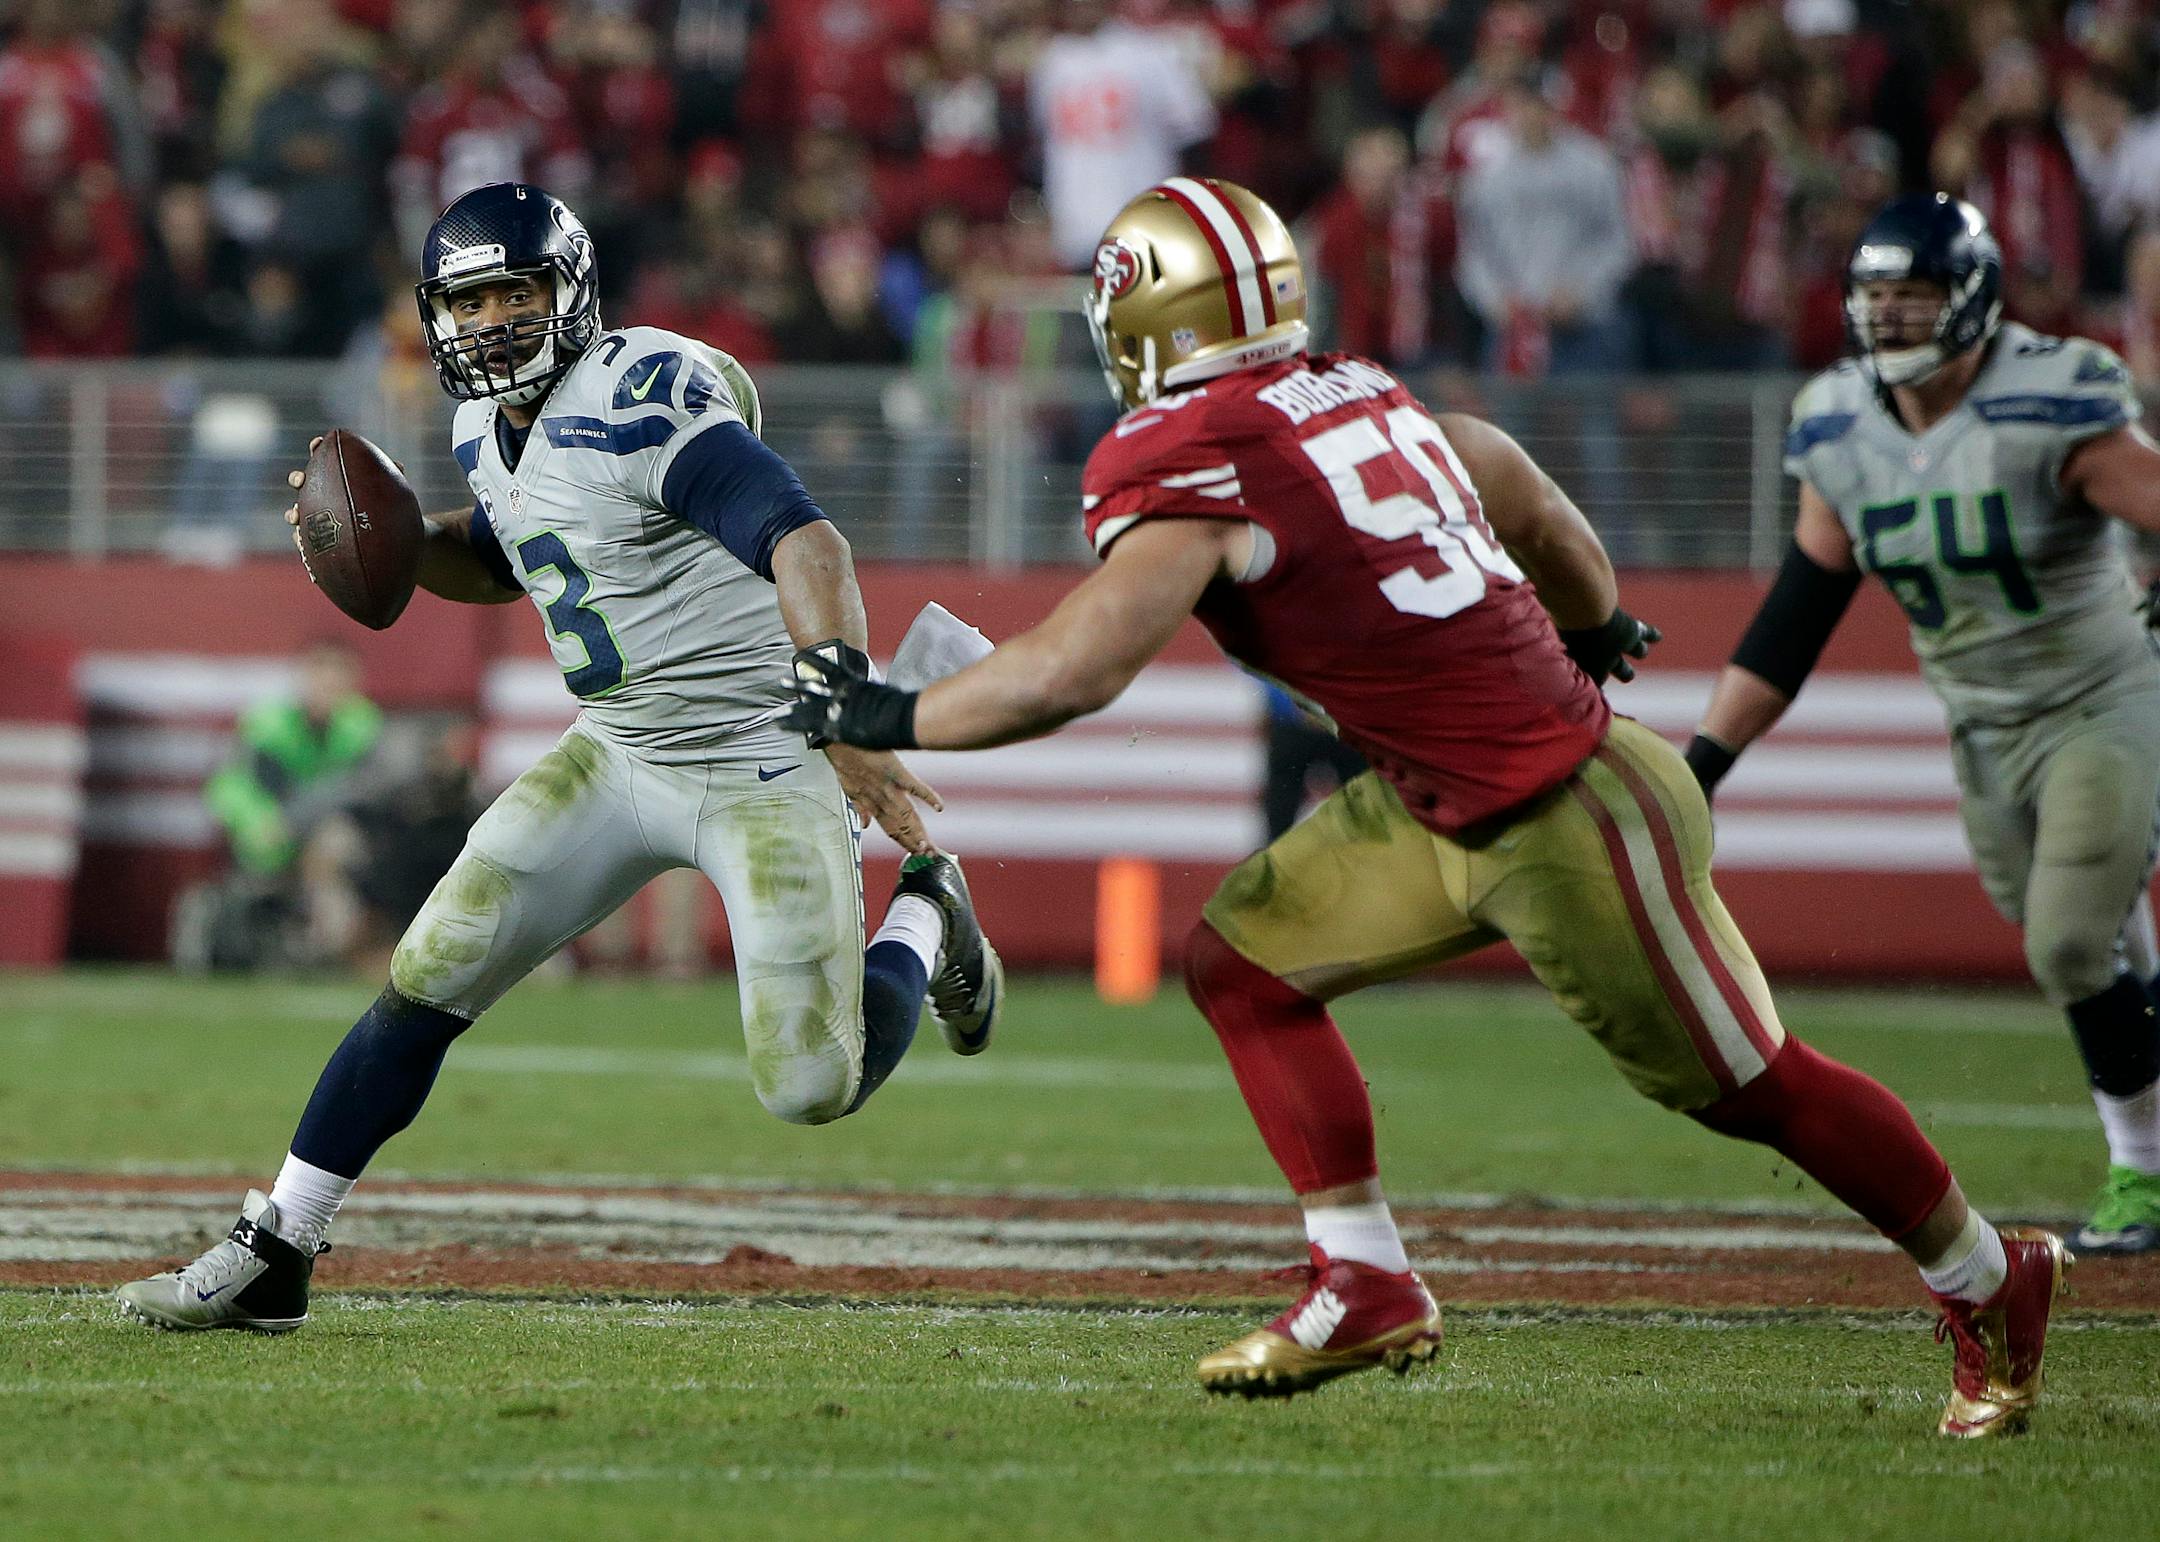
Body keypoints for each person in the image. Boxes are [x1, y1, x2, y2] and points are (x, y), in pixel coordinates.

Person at [789, 176, 2068, 1440]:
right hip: (1439, 800)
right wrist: (1592, 620)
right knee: (1243, 963)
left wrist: (886, 714)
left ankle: (1987, 1274)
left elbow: (1076, 670)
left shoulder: (1190, 449)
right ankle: (1364, 1277)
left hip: (1563, 812)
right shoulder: (1357, 390)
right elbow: (1519, 487)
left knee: (1753, 1088)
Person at [117, 181, 1002, 1335]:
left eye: (515, 293)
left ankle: (929, 909)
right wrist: (388, 541)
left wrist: (842, 714)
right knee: (430, 967)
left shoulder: (638, 398)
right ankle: (279, 1245)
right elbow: (509, 554)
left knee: (810, 1084)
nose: (490, 322)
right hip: (621, 753)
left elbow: (808, 542)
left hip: (766, 756)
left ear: (570, 291)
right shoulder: (480, 428)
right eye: (468, 302)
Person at [1685, 192, 2160, 1259]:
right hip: (1982, 720)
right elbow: (1796, 618)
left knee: (2069, 939)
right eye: (1877, 296)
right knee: (2078, 937)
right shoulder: (1838, 424)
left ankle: (2143, 1172)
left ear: (1973, 299)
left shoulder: (2046, 397)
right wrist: (1703, 762)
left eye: (1915, 295)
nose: (1892, 315)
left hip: (2100, 695)